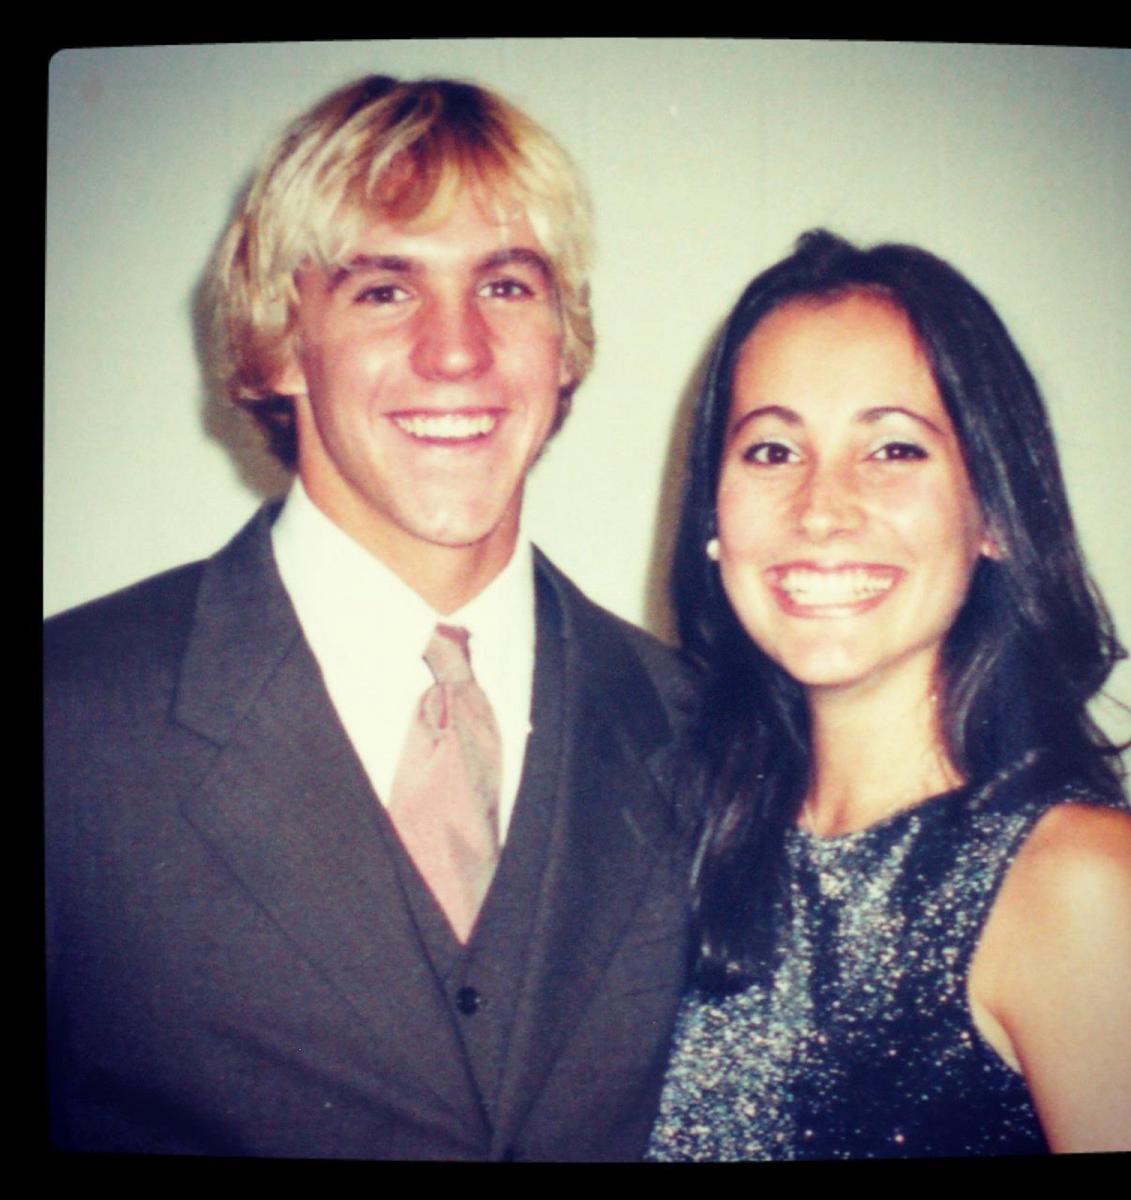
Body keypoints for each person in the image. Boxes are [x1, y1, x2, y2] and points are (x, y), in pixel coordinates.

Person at [44, 75, 697, 1161]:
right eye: (384, 290)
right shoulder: (68, 721)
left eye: (506, 285)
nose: (457, 351)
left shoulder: (698, 728)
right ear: (276, 346)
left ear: (564, 343)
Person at [647, 230, 1131, 1160]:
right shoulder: (676, 839)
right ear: (712, 517)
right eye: (769, 451)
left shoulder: (1080, 884)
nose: (821, 509)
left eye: (891, 449)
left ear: (993, 513)